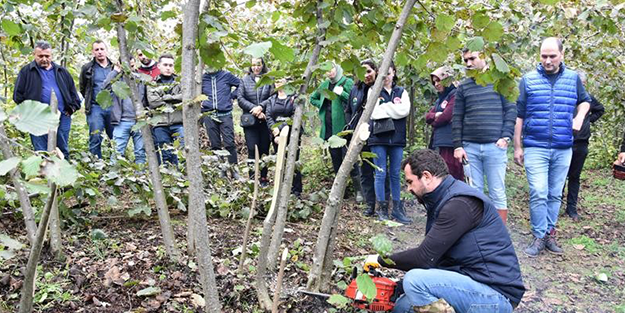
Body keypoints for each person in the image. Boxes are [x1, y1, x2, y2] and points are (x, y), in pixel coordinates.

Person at [363, 149, 525, 312]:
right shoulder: (442, 199)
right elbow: (438, 260)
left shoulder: (459, 203)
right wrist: (399, 286)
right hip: (474, 284)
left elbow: (424, 258)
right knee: (403, 306)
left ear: (426, 176)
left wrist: (379, 260)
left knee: (414, 281)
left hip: (497, 296)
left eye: (410, 182)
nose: (408, 189)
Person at [514, 37, 591, 258]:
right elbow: (519, 115)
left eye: (552, 56)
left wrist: (579, 116)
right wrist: (518, 146)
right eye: (544, 56)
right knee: (539, 192)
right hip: (535, 146)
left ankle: (549, 233)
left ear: (562, 55)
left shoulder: (573, 78)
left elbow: (586, 101)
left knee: (555, 194)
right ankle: (539, 235)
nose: (547, 61)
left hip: (563, 146)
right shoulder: (527, 80)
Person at [452, 49, 516, 224]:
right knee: (474, 191)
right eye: (465, 60)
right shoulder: (464, 86)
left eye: (472, 58)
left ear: (484, 57)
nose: (468, 63)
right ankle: (479, 232)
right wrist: (458, 145)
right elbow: (457, 116)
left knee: (497, 191)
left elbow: (511, 110)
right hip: (470, 148)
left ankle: (499, 234)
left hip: (495, 147)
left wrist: (505, 137)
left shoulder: (500, 81)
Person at [13, 40, 81, 158]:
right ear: (34, 54)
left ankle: (63, 173)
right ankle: (45, 174)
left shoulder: (62, 72)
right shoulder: (27, 71)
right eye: (40, 56)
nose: (44, 59)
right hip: (37, 117)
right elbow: (18, 95)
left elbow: (73, 93)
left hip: (62, 116)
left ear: (51, 55)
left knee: (62, 147)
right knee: (41, 149)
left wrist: (72, 108)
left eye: (47, 56)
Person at [310, 63, 363, 201]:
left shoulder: (347, 81)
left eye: (332, 68)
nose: (330, 72)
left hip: (344, 129)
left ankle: (359, 191)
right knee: (336, 160)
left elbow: (354, 100)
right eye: (327, 70)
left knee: (349, 158)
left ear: (337, 68)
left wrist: (342, 93)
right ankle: (341, 191)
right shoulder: (324, 85)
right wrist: (321, 104)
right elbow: (312, 98)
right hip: (329, 129)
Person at [368, 61, 411, 224]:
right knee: (380, 173)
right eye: (383, 72)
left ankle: (398, 210)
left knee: (395, 173)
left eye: (389, 72)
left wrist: (385, 107)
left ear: (394, 72)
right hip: (378, 138)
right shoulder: (373, 90)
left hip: (397, 139)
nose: (386, 76)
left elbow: (404, 110)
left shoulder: (401, 91)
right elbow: (373, 113)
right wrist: (393, 109)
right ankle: (382, 209)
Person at [346, 60, 390, 216]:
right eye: (363, 72)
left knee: (380, 170)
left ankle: (384, 204)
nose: (366, 75)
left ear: (376, 71)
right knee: (365, 171)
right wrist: (352, 132)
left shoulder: (381, 89)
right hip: (360, 136)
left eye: (369, 71)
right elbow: (349, 111)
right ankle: (370, 205)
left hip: (378, 135)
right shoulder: (355, 90)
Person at [563, 71, 604, 221]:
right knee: (560, 175)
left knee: (574, 176)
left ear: (584, 84)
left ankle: (571, 209)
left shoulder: (589, 99)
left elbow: (600, 110)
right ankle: (556, 203)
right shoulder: (566, 97)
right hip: (564, 142)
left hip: (581, 144)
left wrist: (588, 120)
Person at [104, 57, 146, 164]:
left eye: (131, 66)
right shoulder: (117, 79)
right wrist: (115, 71)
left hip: (139, 121)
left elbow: (146, 99)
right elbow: (105, 87)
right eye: (126, 67)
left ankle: (140, 176)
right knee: (117, 152)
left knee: (140, 152)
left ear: (135, 64)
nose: (129, 70)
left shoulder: (141, 79)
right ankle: (114, 176)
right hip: (121, 121)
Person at [238, 58, 273, 185]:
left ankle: (263, 177)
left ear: (263, 65)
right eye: (253, 65)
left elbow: (272, 96)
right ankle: (252, 178)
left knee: (264, 149)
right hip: (250, 120)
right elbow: (240, 98)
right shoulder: (244, 80)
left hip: (265, 119)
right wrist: (253, 108)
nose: (256, 67)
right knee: (252, 149)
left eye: (258, 64)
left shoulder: (269, 79)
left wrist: (261, 107)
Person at [264, 78, 302, 195]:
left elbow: (294, 116)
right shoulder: (271, 99)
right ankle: (281, 190)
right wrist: (275, 131)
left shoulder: (293, 98)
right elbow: (269, 116)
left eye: (281, 81)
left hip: (292, 134)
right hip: (276, 137)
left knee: (293, 161)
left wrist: (282, 131)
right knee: (280, 162)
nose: (278, 83)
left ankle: (296, 191)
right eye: (276, 81)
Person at [425, 66, 463, 180]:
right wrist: (435, 116)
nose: (436, 84)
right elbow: (427, 117)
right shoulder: (439, 100)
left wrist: (434, 120)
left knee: (453, 176)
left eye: (439, 80)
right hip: (439, 143)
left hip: (451, 143)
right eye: (434, 82)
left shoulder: (455, 94)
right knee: (442, 175)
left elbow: (446, 116)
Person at [146, 54, 184, 165]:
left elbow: (184, 97)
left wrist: (166, 98)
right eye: (165, 65)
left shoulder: (180, 82)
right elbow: (153, 102)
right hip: (160, 124)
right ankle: (169, 178)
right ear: (159, 66)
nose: (168, 68)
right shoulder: (152, 83)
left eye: (171, 65)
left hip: (178, 122)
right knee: (166, 153)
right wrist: (174, 100)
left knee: (182, 151)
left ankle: (181, 176)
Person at [201, 67, 241, 171]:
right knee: (215, 144)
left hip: (225, 113)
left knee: (229, 143)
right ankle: (220, 170)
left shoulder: (226, 75)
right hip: (209, 114)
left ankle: (233, 169)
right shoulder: (202, 78)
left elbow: (241, 84)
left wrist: (232, 96)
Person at [80, 39, 114, 159]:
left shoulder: (114, 67)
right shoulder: (87, 68)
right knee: (95, 136)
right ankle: (96, 165)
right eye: (97, 49)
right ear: (93, 52)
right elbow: (83, 88)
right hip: (95, 107)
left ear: (106, 50)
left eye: (102, 49)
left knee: (114, 138)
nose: (100, 52)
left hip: (113, 108)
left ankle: (115, 166)